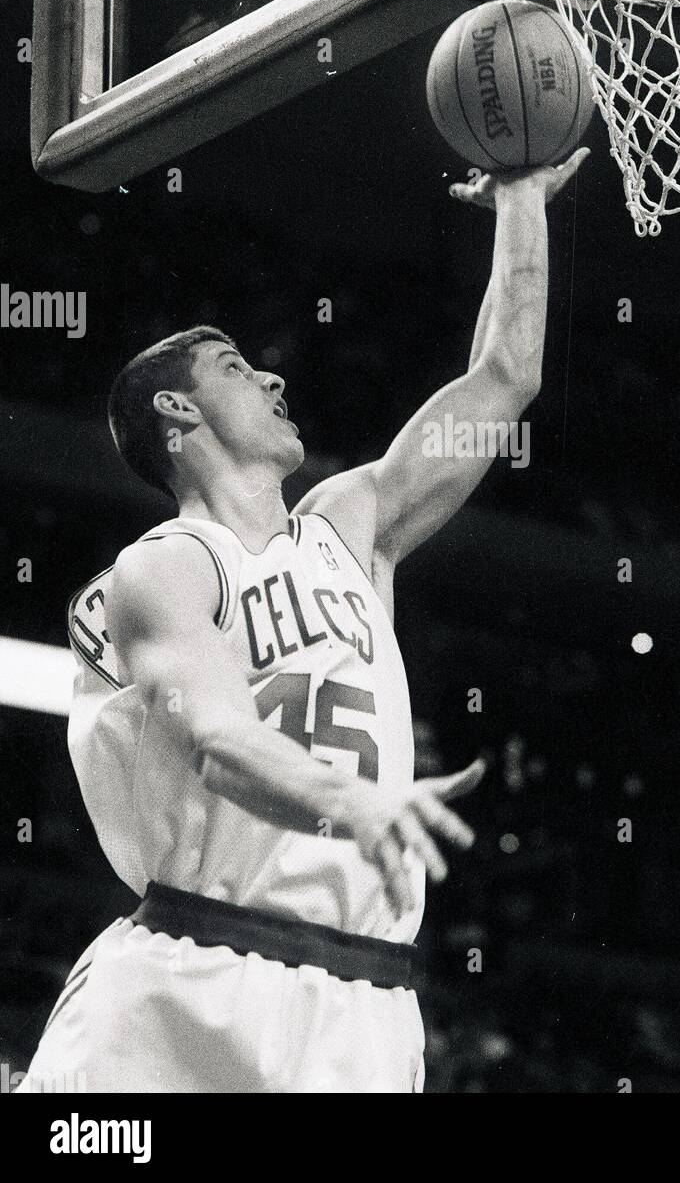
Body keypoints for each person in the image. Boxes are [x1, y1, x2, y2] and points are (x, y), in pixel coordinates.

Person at [18, 148, 589, 1093]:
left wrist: (520, 202)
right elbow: (217, 736)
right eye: (237, 368)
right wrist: (353, 801)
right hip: (195, 970)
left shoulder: (350, 525)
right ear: (176, 411)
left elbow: (503, 379)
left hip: (364, 1005)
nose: (275, 379)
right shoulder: (164, 566)